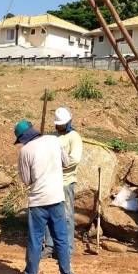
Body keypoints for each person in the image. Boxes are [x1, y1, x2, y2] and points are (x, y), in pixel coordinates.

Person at [13, 119, 74, 274]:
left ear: (23, 138)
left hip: (38, 202)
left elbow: (26, 180)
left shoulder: (25, 151)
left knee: (35, 242)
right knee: (61, 240)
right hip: (56, 198)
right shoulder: (53, 140)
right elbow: (66, 162)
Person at [43, 107, 83, 258]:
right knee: (49, 215)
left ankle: (66, 248)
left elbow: (74, 159)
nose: (59, 127)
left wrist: (57, 163)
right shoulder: (51, 136)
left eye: (61, 125)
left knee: (66, 215)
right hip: (51, 182)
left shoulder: (74, 137)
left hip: (66, 182)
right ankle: (49, 246)